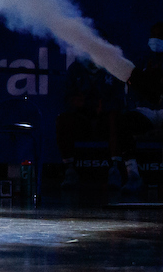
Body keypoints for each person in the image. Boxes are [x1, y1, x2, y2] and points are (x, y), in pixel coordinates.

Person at [56, 55, 125, 189]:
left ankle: (115, 170)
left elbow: (120, 99)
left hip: (104, 120)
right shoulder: (75, 68)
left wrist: (104, 106)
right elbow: (66, 99)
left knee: (115, 117)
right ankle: (70, 170)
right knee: (63, 119)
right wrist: (75, 102)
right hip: (83, 120)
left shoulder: (113, 68)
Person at [120, 22, 163, 192]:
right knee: (124, 122)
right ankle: (133, 176)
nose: (156, 39)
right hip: (144, 110)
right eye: (154, 35)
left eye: (160, 36)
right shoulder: (140, 60)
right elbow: (131, 90)